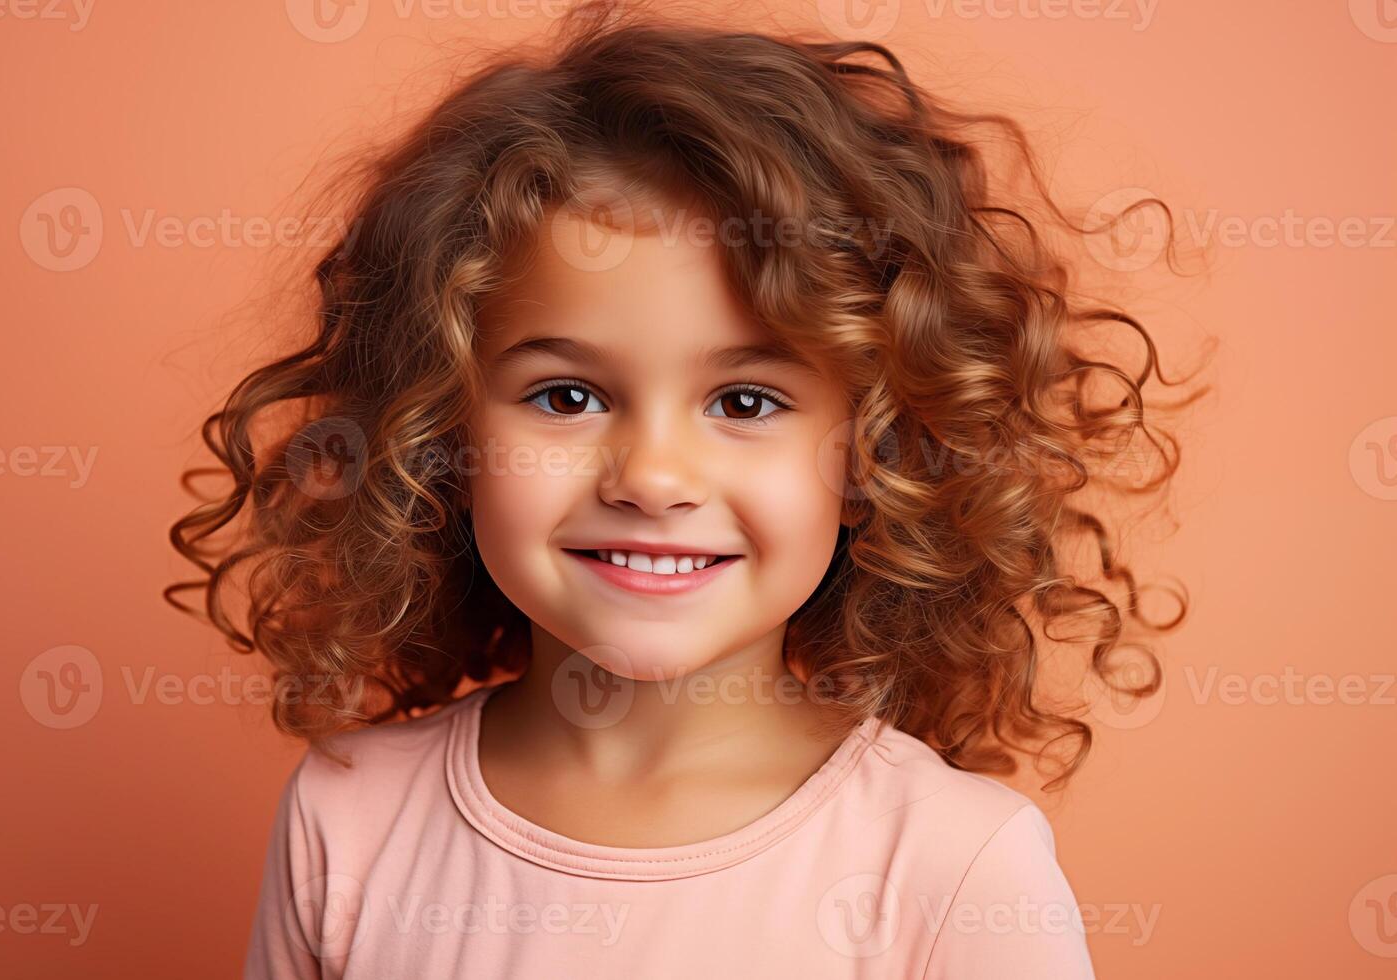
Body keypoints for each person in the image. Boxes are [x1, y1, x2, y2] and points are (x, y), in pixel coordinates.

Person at [168, 3, 1195, 975]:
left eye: (745, 402)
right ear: (441, 435)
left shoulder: (953, 865)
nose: (653, 477)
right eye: (566, 394)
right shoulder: (347, 820)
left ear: (877, 452)